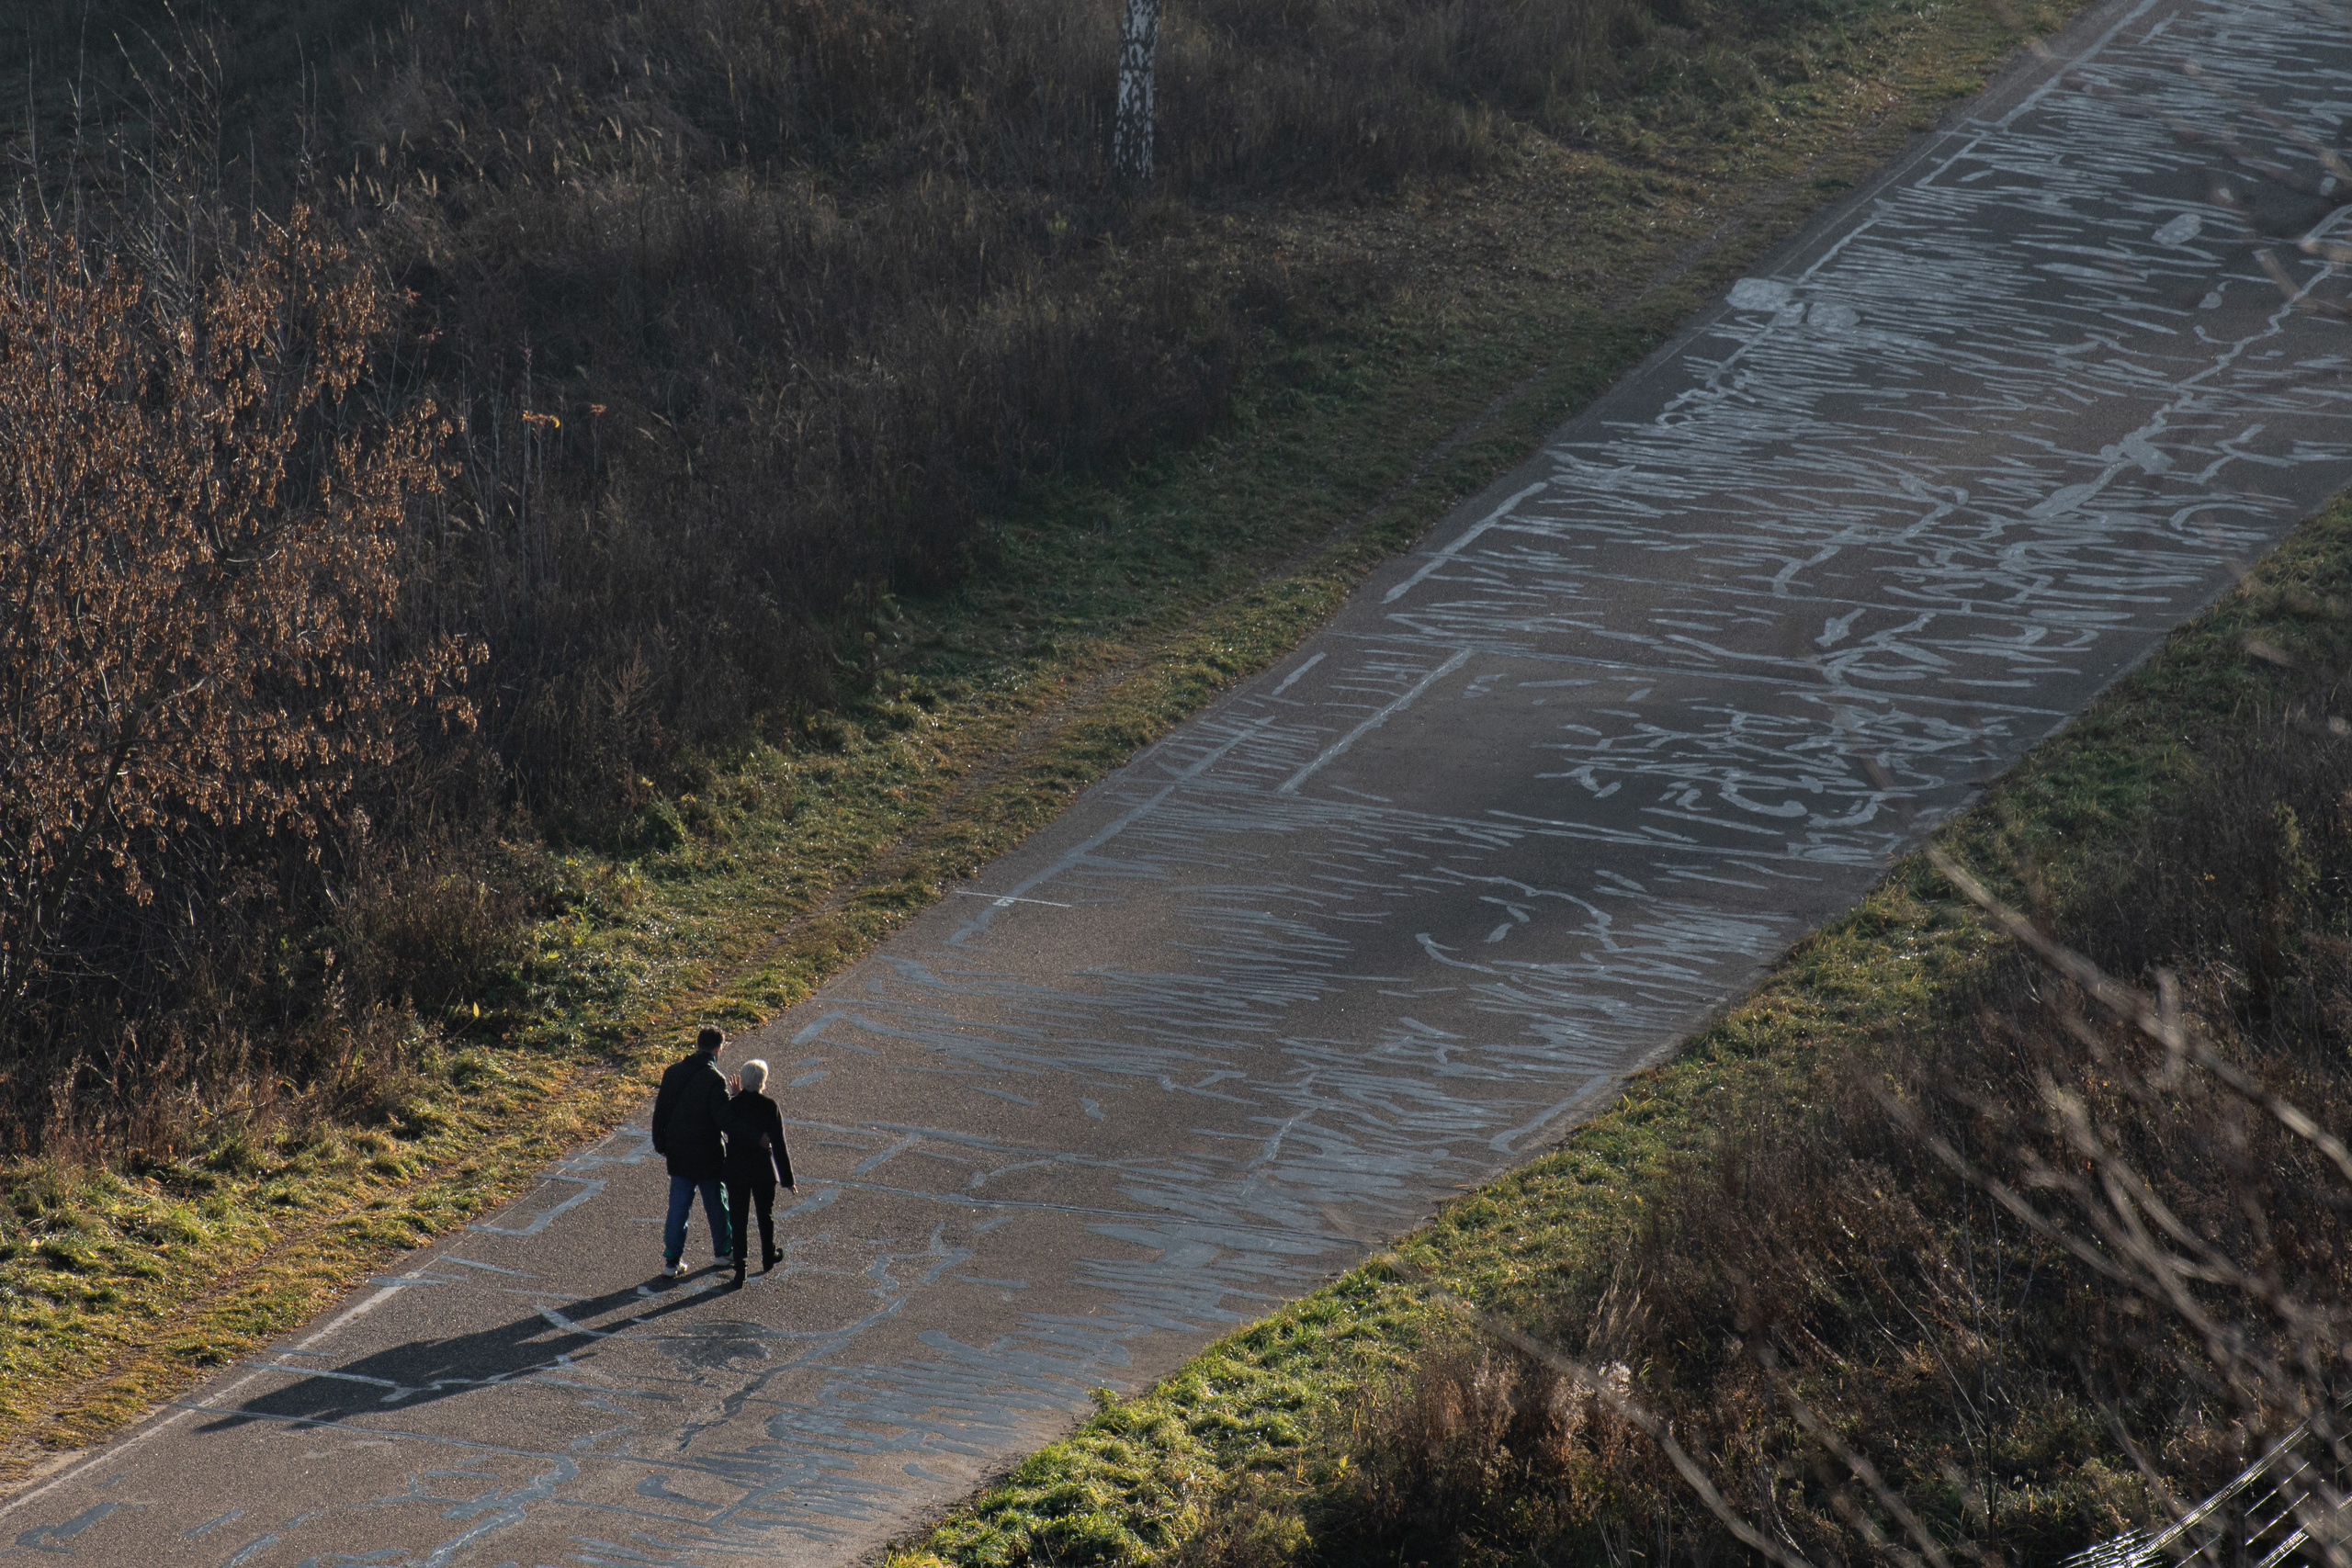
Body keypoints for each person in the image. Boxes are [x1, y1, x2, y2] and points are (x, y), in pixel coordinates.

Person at [650, 1026, 733, 1278]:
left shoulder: (673, 1073)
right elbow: (724, 1120)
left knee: (678, 1207)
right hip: (708, 1154)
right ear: (718, 1049)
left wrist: (661, 1144)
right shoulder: (715, 1080)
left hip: (678, 1151)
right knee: (716, 1204)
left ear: (697, 1044)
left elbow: (660, 1113)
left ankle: (672, 1260)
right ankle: (722, 1251)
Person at [719, 1057, 797, 1288]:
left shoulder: (732, 1105)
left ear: (742, 1080)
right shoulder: (770, 1106)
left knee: (739, 1218)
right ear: (763, 1081)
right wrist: (787, 1178)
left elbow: (729, 1124)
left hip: (736, 1171)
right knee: (765, 1215)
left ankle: (740, 1268)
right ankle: (767, 1256)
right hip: (762, 1170)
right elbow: (779, 1145)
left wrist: (734, 1097)